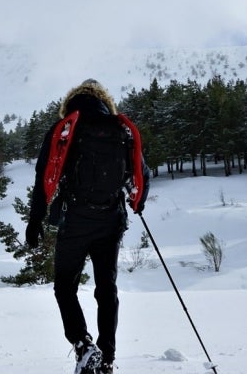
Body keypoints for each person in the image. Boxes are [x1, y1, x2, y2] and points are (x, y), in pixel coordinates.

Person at [26, 79, 150, 374]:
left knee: (64, 287)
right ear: (105, 101)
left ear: (70, 103)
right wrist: (137, 203)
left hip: (76, 220)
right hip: (111, 221)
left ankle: (83, 347)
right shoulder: (121, 128)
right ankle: (106, 358)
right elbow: (142, 172)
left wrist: (36, 220)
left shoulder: (66, 129)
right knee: (106, 288)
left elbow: (43, 176)